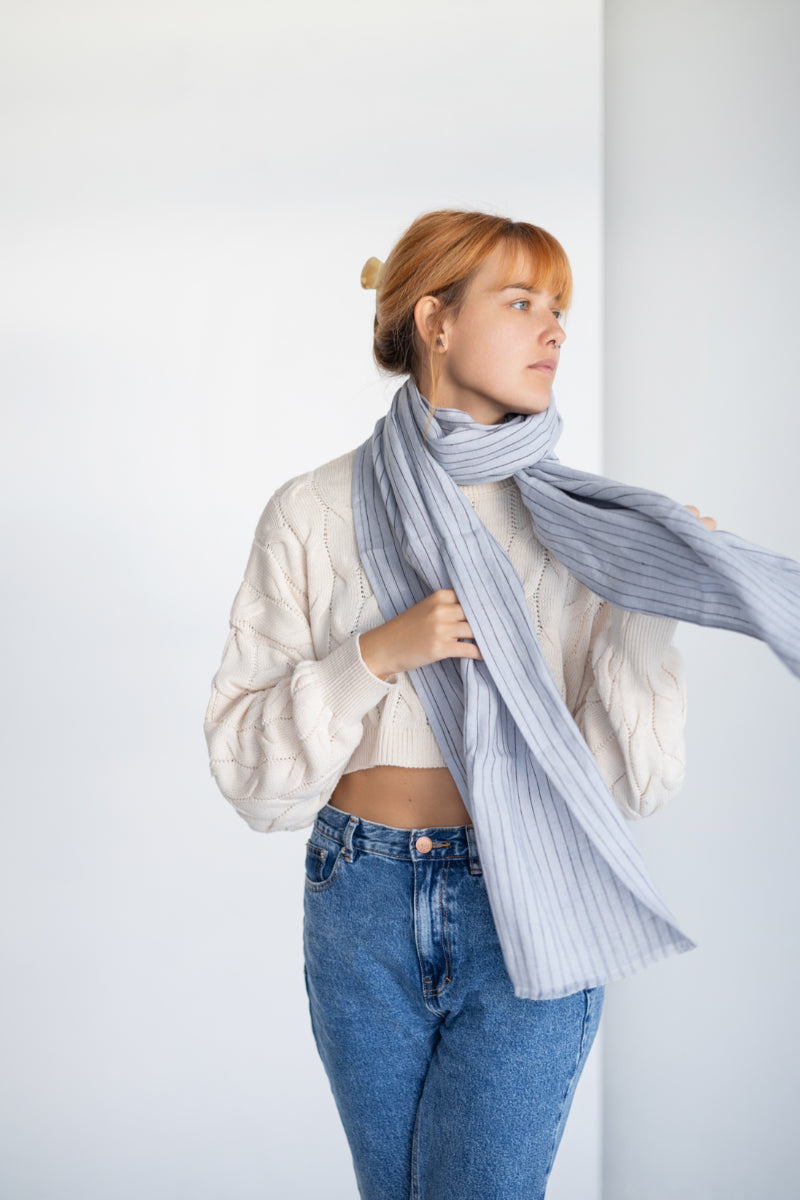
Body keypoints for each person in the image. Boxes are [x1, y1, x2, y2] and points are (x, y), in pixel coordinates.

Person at [204, 209, 793, 1200]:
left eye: (558, 307)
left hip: (531, 894)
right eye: (521, 302)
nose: (554, 329)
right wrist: (374, 655)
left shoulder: (589, 527)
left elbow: (630, 784)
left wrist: (649, 607)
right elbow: (245, 769)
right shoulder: (311, 510)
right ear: (434, 322)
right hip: (359, 899)